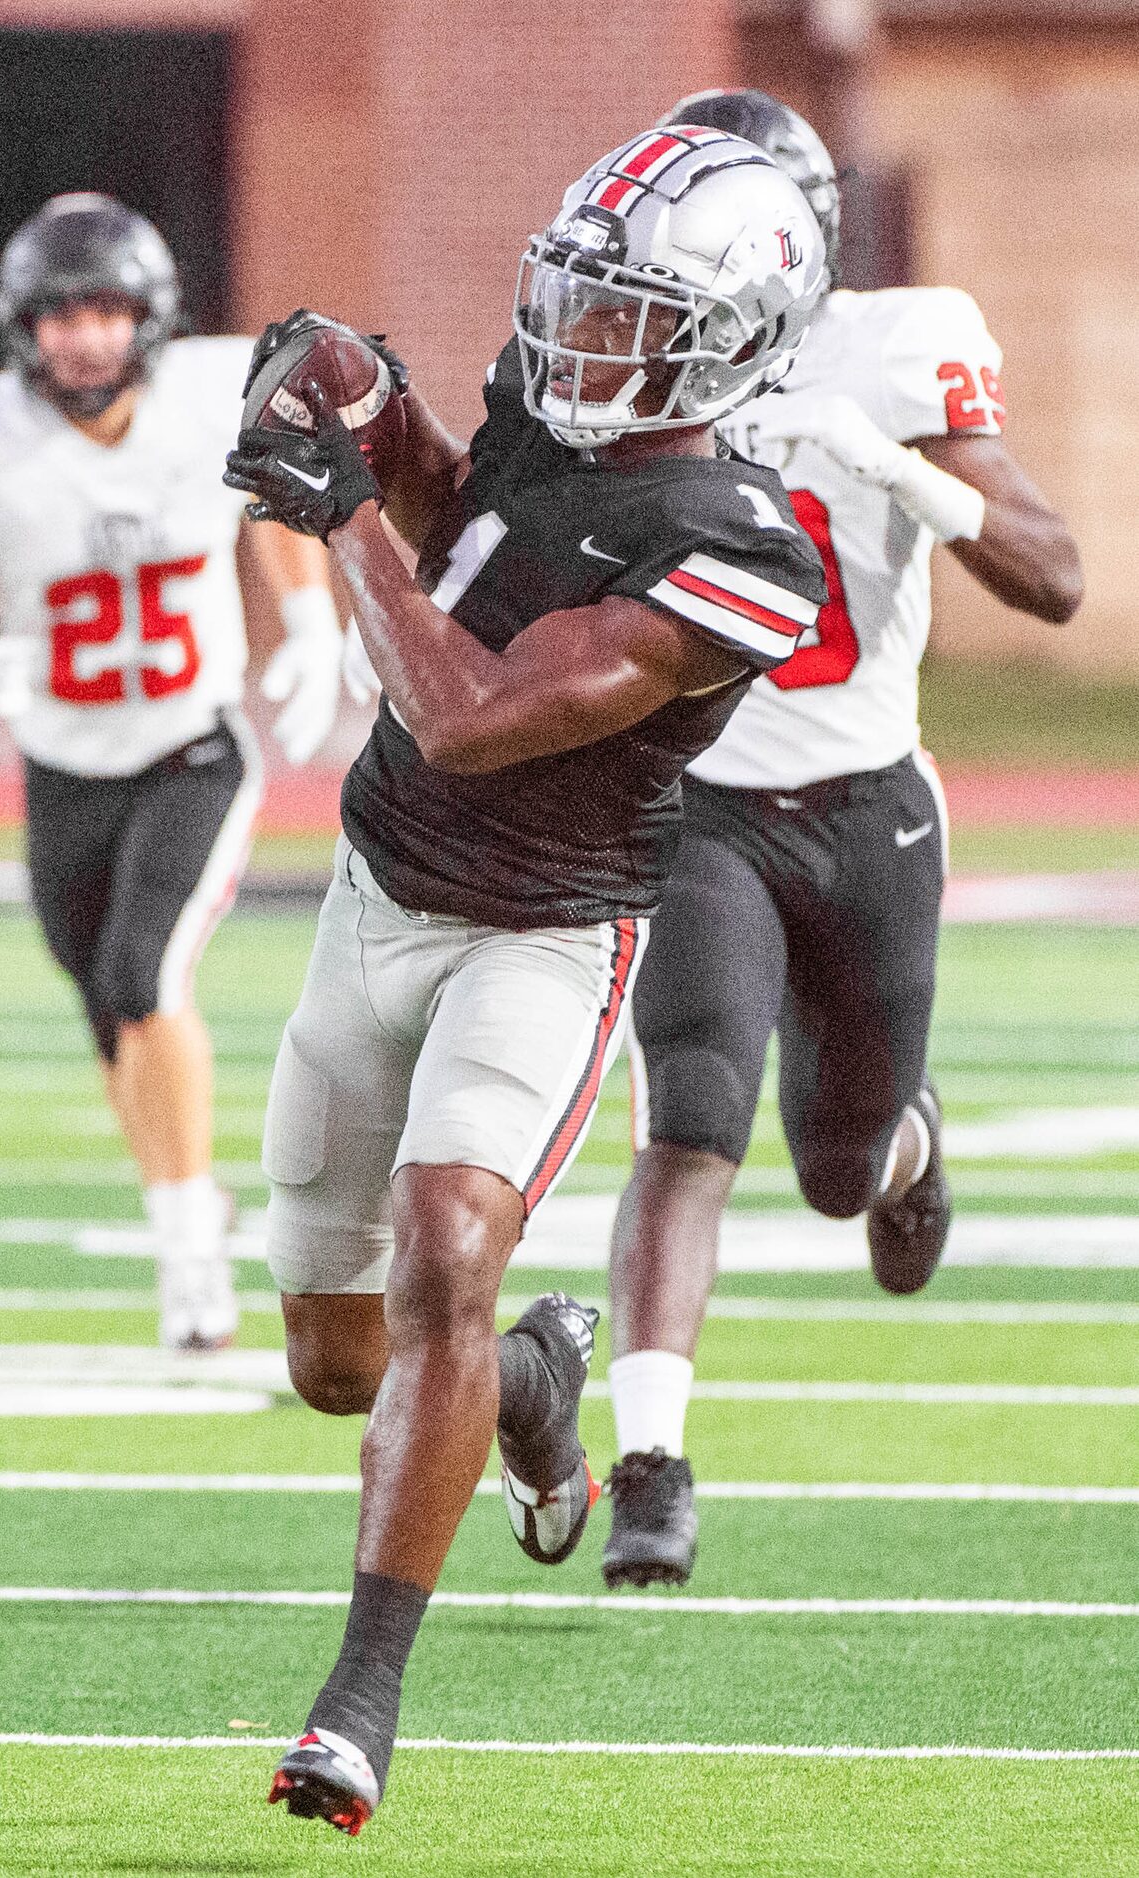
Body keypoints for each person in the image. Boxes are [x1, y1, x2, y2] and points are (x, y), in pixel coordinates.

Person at [222, 125, 830, 1834]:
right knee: (342, 1360)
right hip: (369, 905)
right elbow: (459, 512)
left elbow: (469, 712)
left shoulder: (743, 549)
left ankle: (358, 1699)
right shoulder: (551, 408)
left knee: (443, 1247)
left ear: (732, 342)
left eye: (628, 310)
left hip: (547, 934)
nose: (579, 331)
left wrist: (333, 513)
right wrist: (362, 404)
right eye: (583, 289)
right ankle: (531, 1387)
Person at [601, 91, 1084, 1591]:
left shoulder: (898, 342)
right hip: (699, 806)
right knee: (692, 1116)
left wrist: (884, 463)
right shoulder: (626, 340)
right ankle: (653, 1466)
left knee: (836, 1169)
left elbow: (1057, 577)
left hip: (870, 804)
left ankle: (907, 1136)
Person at [0, 193, 343, 1351]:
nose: (84, 335)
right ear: (18, 324)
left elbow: (271, 505)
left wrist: (307, 624)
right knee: (107, 1011)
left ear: (148, 317)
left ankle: (193, 1253)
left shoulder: (209, 397)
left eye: (106, 308)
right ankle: (178, 1203)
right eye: (60, 312)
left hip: (189, 745)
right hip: (60, 766)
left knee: (146, 977)